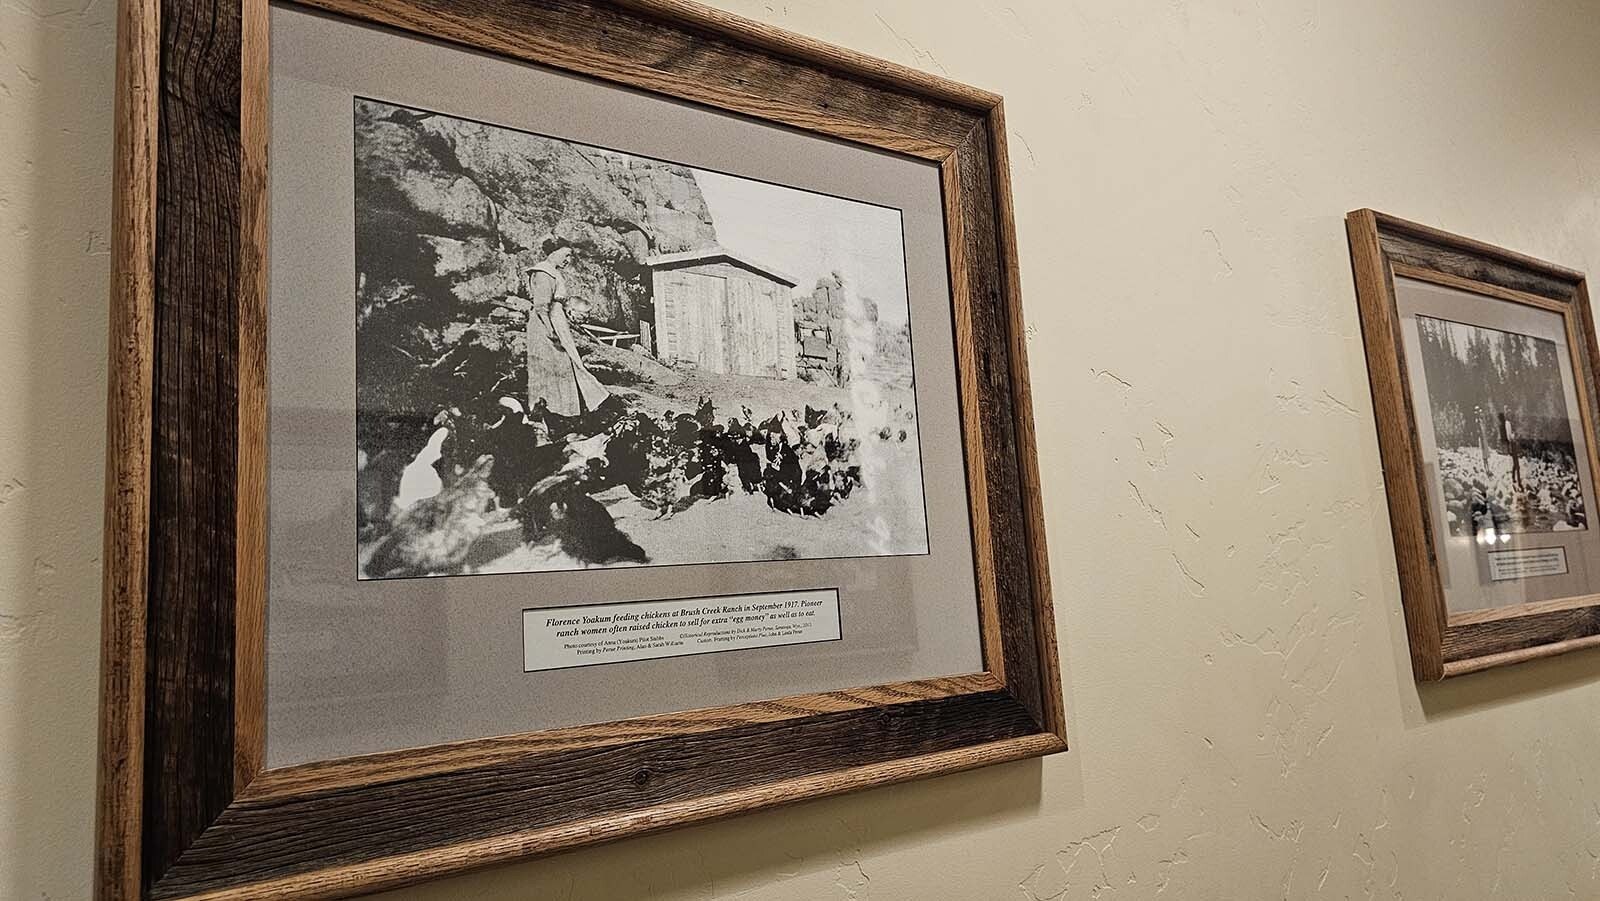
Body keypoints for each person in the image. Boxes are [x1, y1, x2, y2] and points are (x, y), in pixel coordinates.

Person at [521, 247, 612, 420]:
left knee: (564, 364)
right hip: (545, 324)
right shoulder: (543, 273)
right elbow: (541, 306)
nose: (567, 260)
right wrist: (550, 330)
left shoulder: (552, 273)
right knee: (550, 365)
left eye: (570, 256)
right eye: (565, 255)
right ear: (553, 252)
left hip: (556, 320)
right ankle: (550, 410)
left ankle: (568, 409)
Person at [1500, 409, 1524, 491]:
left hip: (1512, 444)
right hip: (1512, 445)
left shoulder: (1508, 423)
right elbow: (1509, 436)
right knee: (1516, 463)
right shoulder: (1508, 423)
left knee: (1515, 463)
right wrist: (1515, 436)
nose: (1510, 415)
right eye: (1509, 414)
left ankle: (1514, 478)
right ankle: (1518, 480)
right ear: (1507, 415)